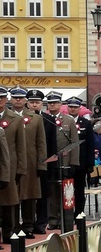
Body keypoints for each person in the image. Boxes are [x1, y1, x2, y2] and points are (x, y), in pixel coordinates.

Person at [9, 87, 46, 238]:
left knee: (30, 195)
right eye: (15, 97)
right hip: (11, 162)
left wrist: (41, 164)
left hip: (30, 162)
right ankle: (13, 226)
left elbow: (41, 143)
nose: (18, 100)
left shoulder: (35, 118)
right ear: (11, 99)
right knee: (11, 195)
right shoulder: (5, 117)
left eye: (21, 97)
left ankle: (28, 225)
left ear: (26, 100)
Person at [45, 92, 78, 230]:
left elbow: (75, 143)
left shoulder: (68, 120)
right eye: (50, 103)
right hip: (48, 161)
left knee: (66, 192)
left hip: (64, 162)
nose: (52, 105)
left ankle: (65, 218)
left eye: (55, 103)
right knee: (51, 193)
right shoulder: (44, 119)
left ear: (60, 104)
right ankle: (53, 220)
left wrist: (74, 163)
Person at [27, 89, 55, 234]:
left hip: (45, 163)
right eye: (32, 103)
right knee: (30, 195)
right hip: (28, 163)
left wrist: (51, 163)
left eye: (37, 103)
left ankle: (41, 223)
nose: (34, 105)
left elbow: (52, 144)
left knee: (43, 195)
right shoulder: (23, 119)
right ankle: (29, 223)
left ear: (42, 104)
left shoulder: (48, 120)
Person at [0, 87, 26, 243]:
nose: (0, 101)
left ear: (6, 100)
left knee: (8, 202)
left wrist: (21, 169)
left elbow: (21, 146)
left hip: (9, 165)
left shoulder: (15, 118)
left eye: (2, 98)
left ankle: (9, 232)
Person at [65, 97, 94, 216]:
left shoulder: (85, 123)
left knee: (79, 190)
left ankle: (79, 212)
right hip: (66, 162)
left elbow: (90, 144)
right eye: (71, 107)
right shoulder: (62, 121)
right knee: (66, 189)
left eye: (75, 107)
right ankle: (66, 214)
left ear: (79, 108)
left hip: (81, 163)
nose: (73, 109)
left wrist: (90, 163)